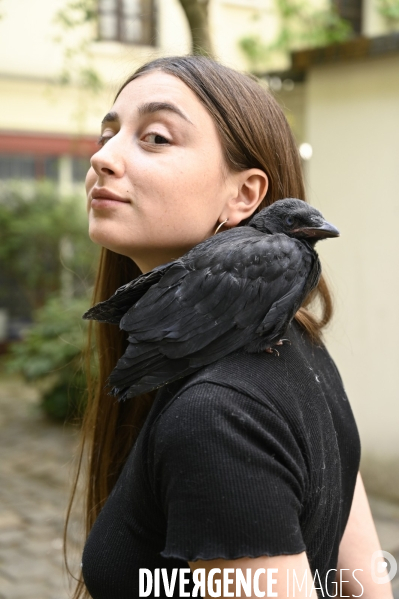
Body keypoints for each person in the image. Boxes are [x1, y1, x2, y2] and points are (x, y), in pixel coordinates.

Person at [65, 56, 393, 599]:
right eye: (108, 133)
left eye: (155, 137)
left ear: (245, 195)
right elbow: (364, 583)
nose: (102, 157)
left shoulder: (218, 416)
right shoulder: (301, 346)